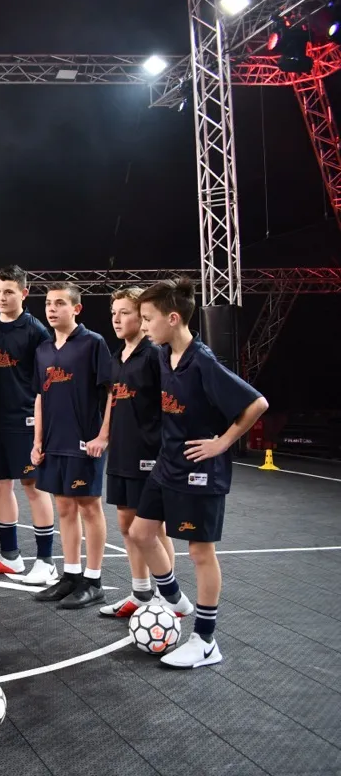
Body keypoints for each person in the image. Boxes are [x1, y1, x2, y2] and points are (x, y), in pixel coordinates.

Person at [131, 277, 267, 668]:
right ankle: (174, 598)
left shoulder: (203, 360)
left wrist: (222, 443)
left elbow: (256, 404)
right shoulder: (162, 355)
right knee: (140, 533)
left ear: (172, 319)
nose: (144, 326)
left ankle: (206, 640)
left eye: (148, 318)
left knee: (199, 551)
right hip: (167, 464)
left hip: (199, 471)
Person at [30, 284, 114, 609]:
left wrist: (103, 436)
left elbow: (110, 393)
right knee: (64, 507)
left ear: (76, 309)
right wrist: (37, 441)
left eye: (60, 303)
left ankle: (94, 581)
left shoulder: (93, 343)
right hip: (53, 443)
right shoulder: (43, 350)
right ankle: (71, 576)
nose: (52, 309)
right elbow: (40, 397)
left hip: (84, 443)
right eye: (49, 303)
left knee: (89, 507)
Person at [0, 265, 57, 584]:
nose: (1, 297)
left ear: (24, 292)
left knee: (33, 486)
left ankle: (47, 561)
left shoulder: (36, 331)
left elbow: (47, 380)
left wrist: (44, 424)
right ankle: (10, 557)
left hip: (26, 419)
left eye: (8, 291)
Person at [101, 287, 176, 618]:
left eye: (125, 313)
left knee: (153, 529)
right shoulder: (118, 358)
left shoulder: (156, 356)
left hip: (151, 454)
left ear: (142, 317)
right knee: (127, 526)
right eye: (114, 313)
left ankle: (168, 597)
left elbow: (171, 406)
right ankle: (141, 593)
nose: (117, 319)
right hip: (121, 453)